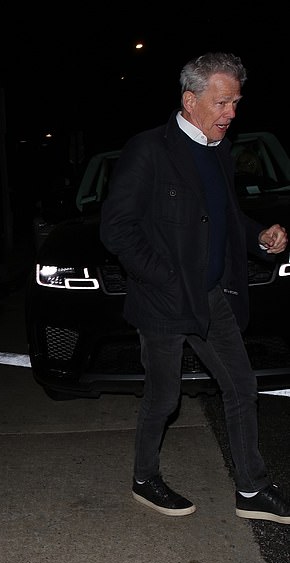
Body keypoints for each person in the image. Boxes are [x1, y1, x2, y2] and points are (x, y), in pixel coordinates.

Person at [99, 51, 290, 524]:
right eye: (223, 103)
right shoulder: (149, 150)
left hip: (211, 298)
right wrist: (165, 278)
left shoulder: (218, 150)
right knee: (164, 399)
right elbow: (116, 229)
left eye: (236, 103)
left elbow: (226, 218)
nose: (232, 114)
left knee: (241, 386)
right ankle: (145, 478)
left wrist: (259, 238)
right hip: (164, 301)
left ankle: (252, 488)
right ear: (191, 100)